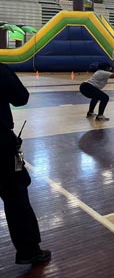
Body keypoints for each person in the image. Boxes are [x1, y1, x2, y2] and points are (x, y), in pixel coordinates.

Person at [0, 63, 51, 265]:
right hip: (1, 146)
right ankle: (28, 251)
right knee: (16, 197)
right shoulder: (1, 70)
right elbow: (21, 98)